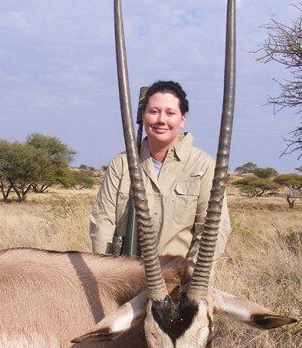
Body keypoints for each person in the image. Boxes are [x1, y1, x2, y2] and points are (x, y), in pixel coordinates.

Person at [90, 80, 231, 271]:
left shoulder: (204, 166)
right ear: (143, 115)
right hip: (125, 279)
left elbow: (213, 232)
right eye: (154, 111)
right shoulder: (121, 164)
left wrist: (188, 281)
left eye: (170, 113)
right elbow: (102, 222)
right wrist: (109, 275)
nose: (161, 120)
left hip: (180, 281)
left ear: (182, 119)